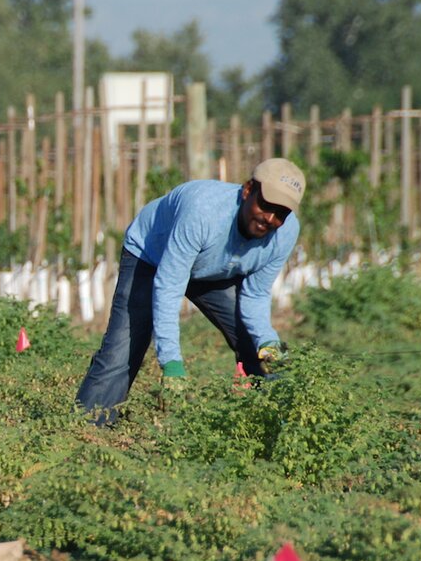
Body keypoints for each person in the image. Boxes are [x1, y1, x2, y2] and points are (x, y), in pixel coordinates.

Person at [76, 158, 305, 425]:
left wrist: (268, 342)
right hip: (152, 257)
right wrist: (171, 362)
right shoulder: (203, 211)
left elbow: (255, 294)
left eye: (281, 213)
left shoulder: (286, 233)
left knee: (254, 346)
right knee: (122, 350)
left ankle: (271, 425)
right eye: (266, 205)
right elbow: (170, 284)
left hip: (213, 268)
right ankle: (87, 431)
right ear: (247, 190)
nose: (270, 219)